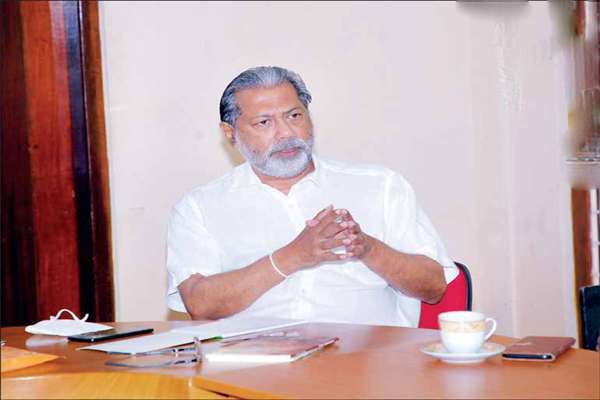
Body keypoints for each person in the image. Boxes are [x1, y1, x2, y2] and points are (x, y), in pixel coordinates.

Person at [166, 66, 457, 327]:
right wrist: (292, 257)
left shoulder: (381, 186)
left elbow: (434, 288)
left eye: (294, 116)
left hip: (368, 360)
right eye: (264, 123)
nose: (285, 133)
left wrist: (367, 248)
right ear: (230, 133)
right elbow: (199, 305)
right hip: (253, 361)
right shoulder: (200, 207)